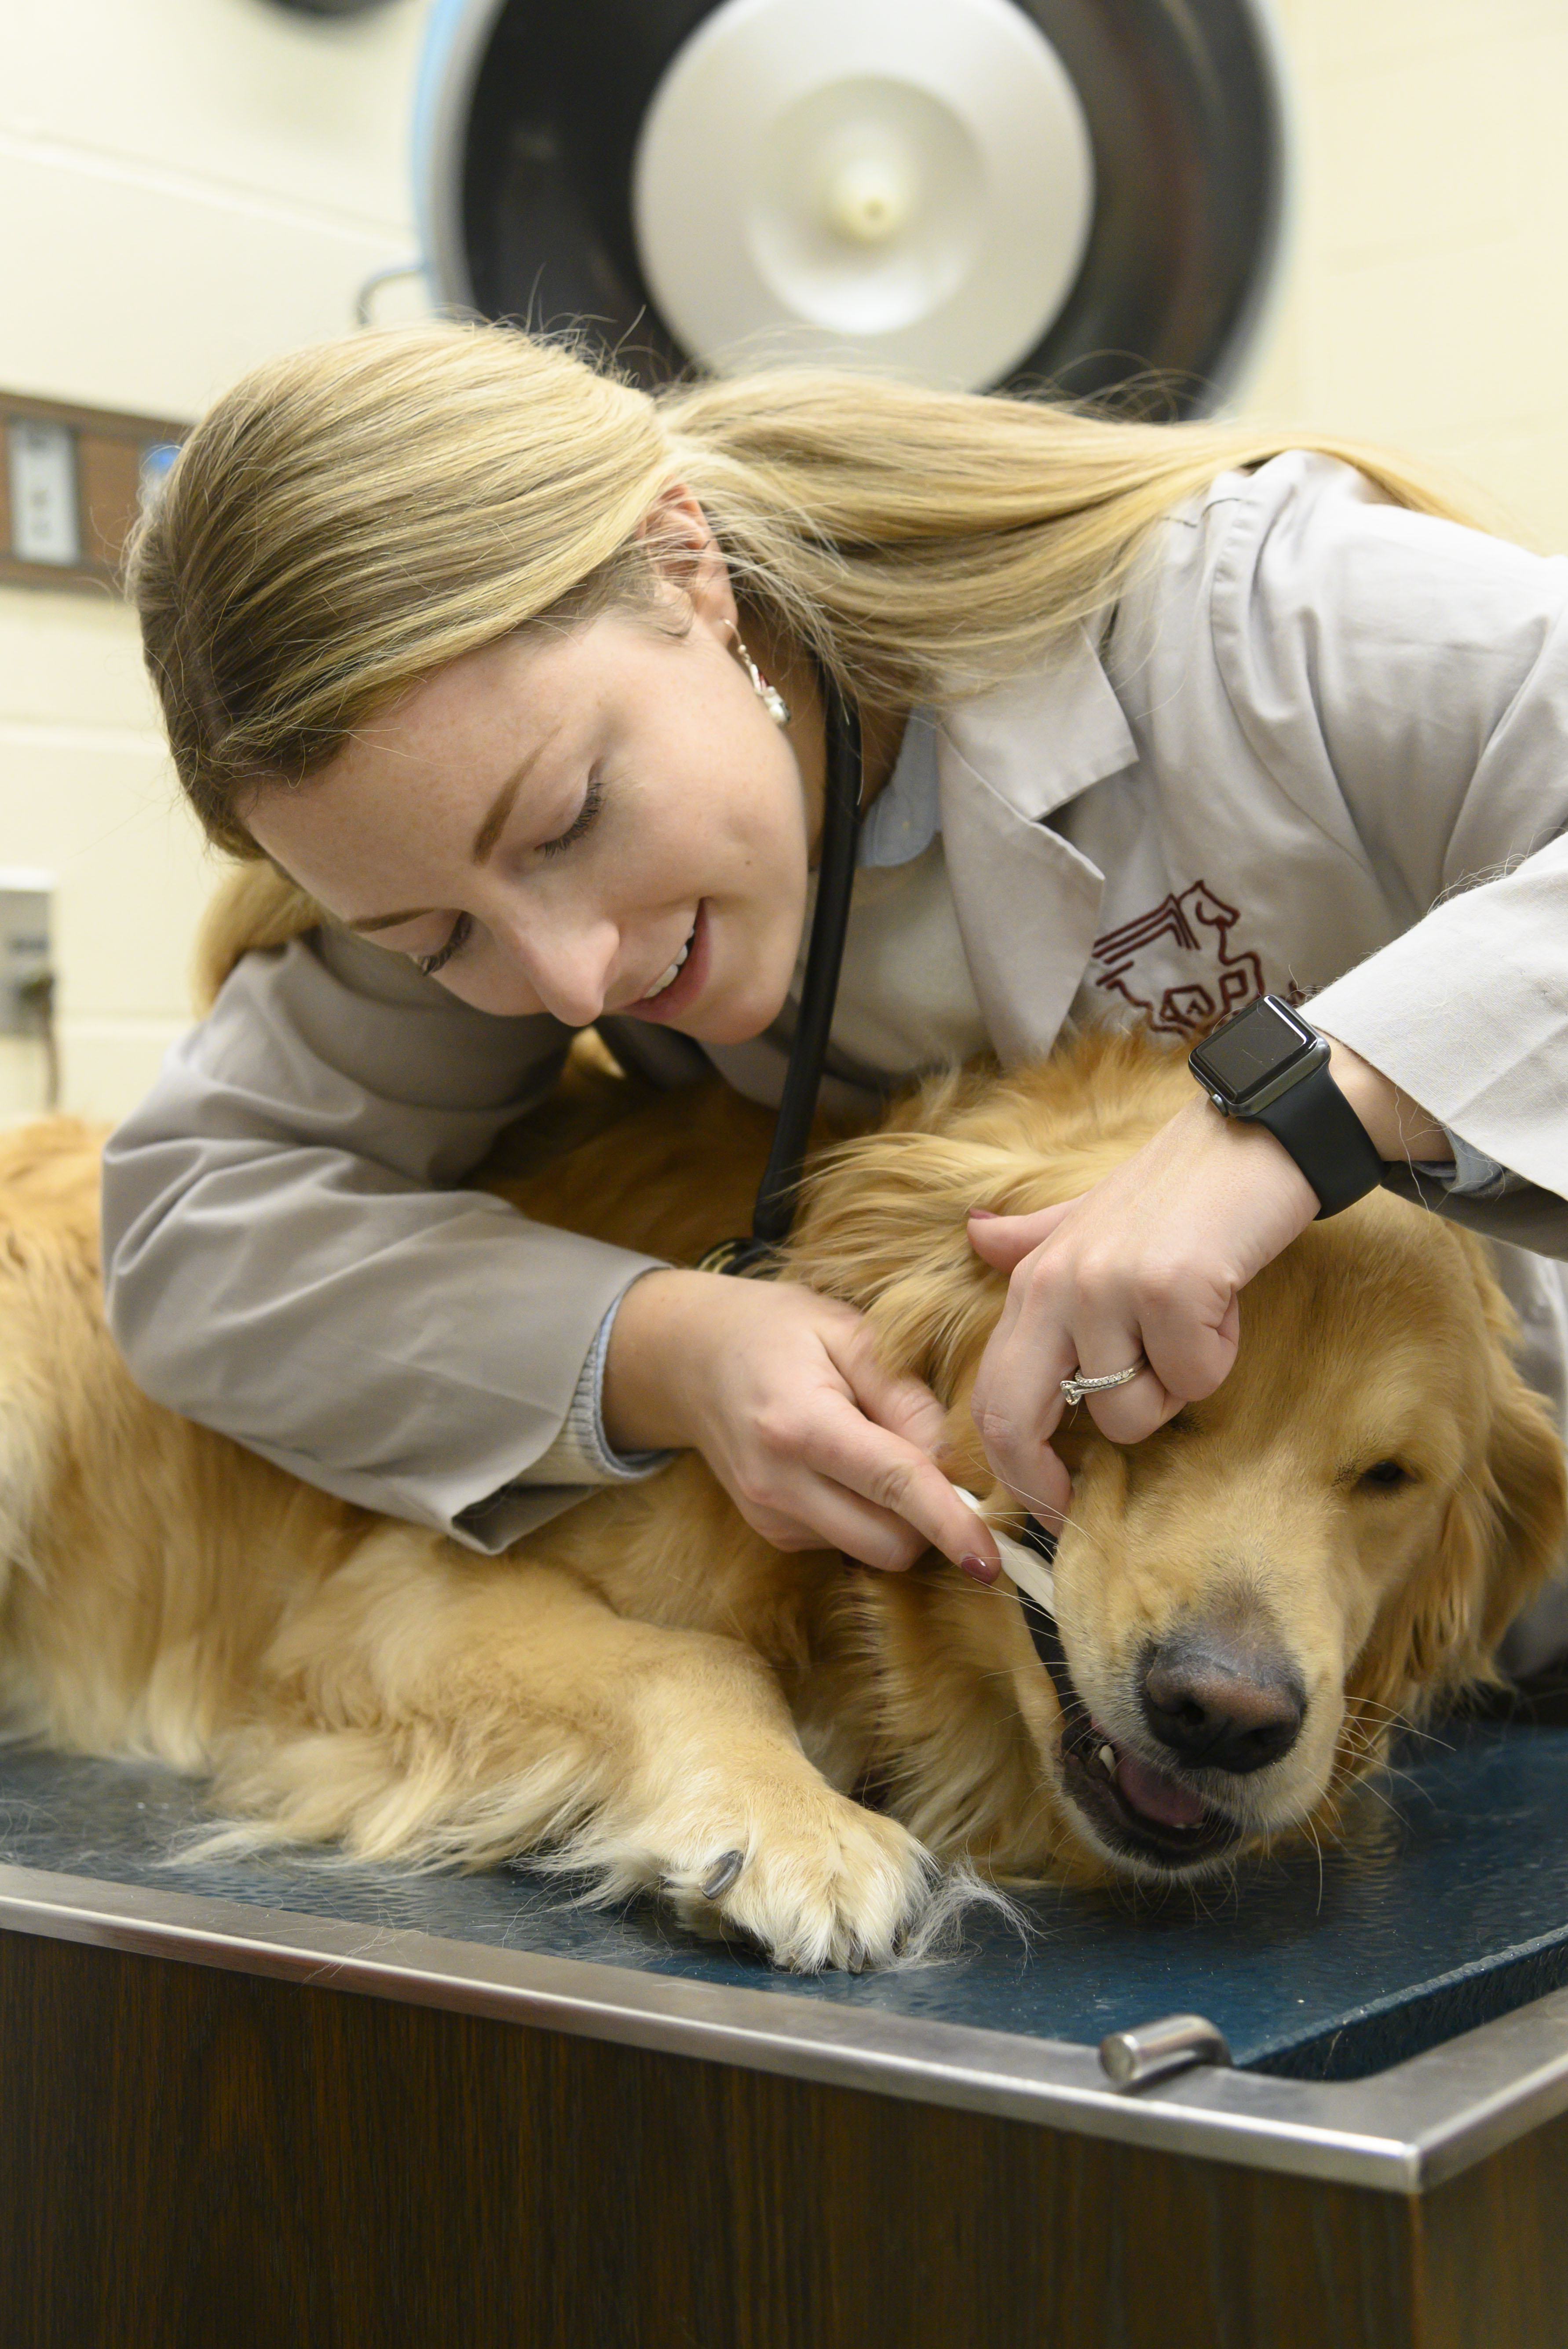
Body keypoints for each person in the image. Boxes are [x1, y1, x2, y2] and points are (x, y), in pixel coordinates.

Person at [103, 323, 1568, 1663]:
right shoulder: (451, 826)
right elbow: (194, 1227)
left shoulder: (1259, 619)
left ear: (688, 570)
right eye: (433, 943)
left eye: (567, 822)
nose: (564, 981)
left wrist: (1303, 1114)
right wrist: (663, 1351)